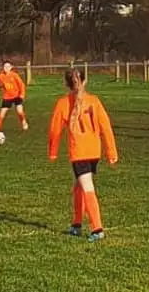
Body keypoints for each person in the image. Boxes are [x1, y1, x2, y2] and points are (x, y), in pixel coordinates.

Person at [48, 68, 118, 243]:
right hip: (94, 151)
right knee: (78, 186)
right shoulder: (94, 101)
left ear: (66, 84)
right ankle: (77, 224)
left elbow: (54, 130)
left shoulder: (63, 102)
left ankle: (97, 228)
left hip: (79, 152)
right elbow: (106, 127)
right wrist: (111, 151)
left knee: (87, 186)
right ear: (85, 81)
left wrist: (53, 151)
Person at [0, 60, 28, 137]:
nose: (6, 68)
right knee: (2, 113)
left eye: (8, 66)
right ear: (3, 68)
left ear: (11, 67)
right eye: (5, 66)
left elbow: (21, 85)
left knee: (19, 110)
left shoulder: (15, 75)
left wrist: (22, 94)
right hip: (7, 97)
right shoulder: (1, 76)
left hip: (17, 95)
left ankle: (23, 121)